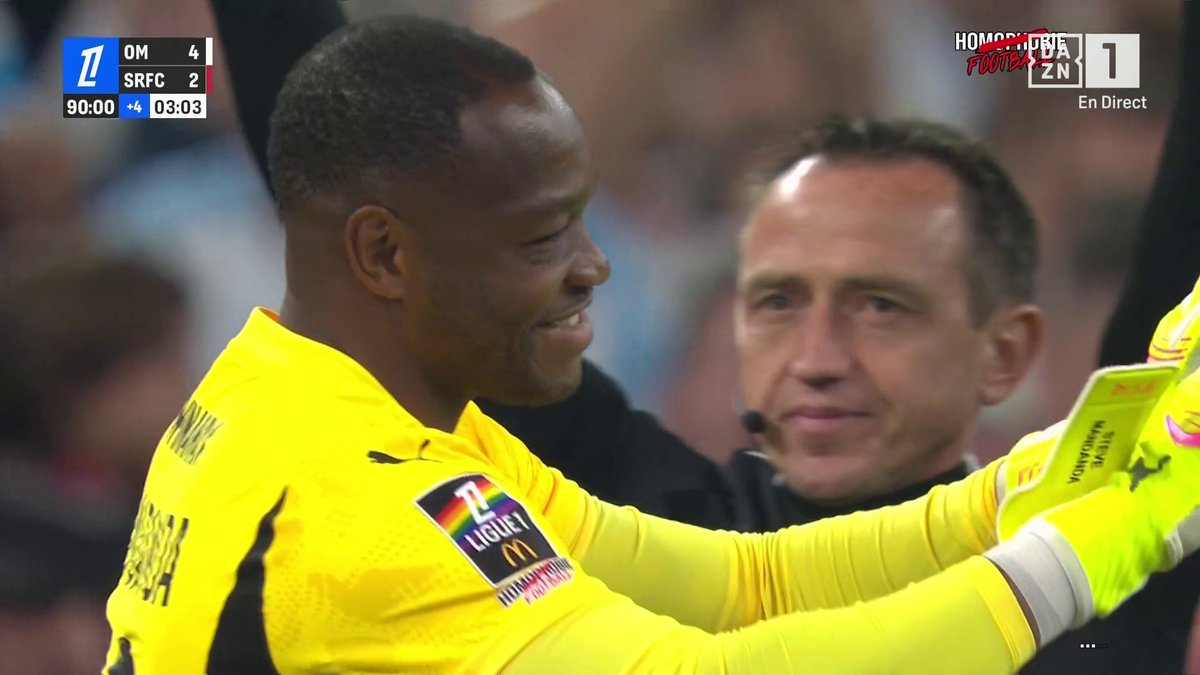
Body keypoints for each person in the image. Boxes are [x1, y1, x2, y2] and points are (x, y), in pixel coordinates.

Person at [101, 15, 1200, 674]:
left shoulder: (360, 408)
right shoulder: (365, 513)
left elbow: (745, 586)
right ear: (383, 256)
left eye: (881, 306)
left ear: (1006, 355)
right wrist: (1100, 544)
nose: (595, 265)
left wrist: (1017, 496)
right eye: (776, 300)